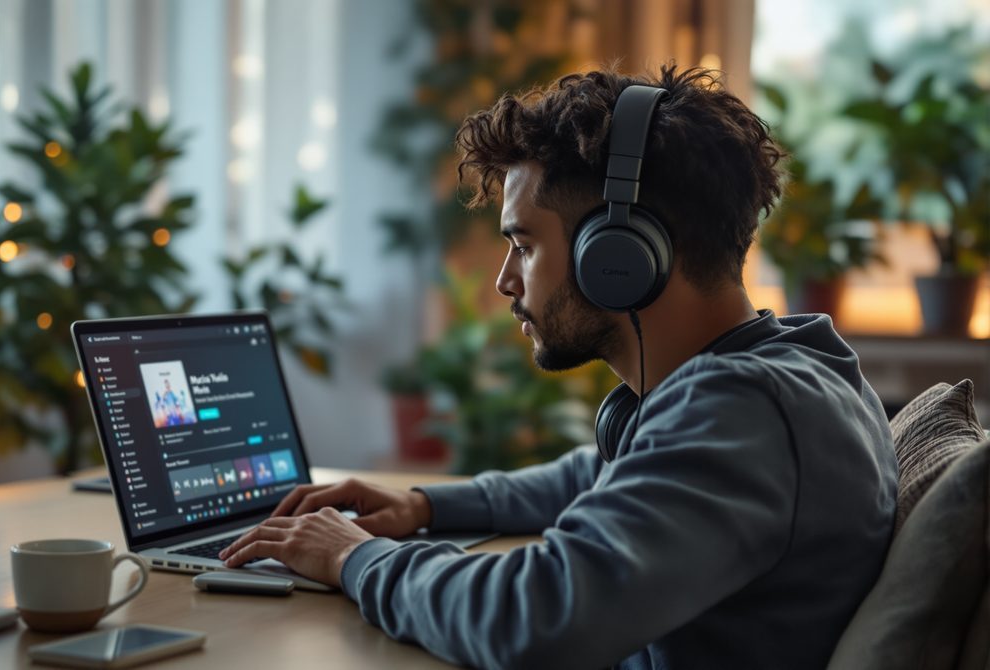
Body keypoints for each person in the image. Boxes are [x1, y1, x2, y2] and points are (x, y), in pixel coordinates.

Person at [221, 64, 897, 669]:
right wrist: (422, 505)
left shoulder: (746, 411)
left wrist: (351, 556)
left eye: (524, 246)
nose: (504, 283)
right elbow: (608, 472)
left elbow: (534, 618)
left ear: (620, 257)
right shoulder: (788, 371)